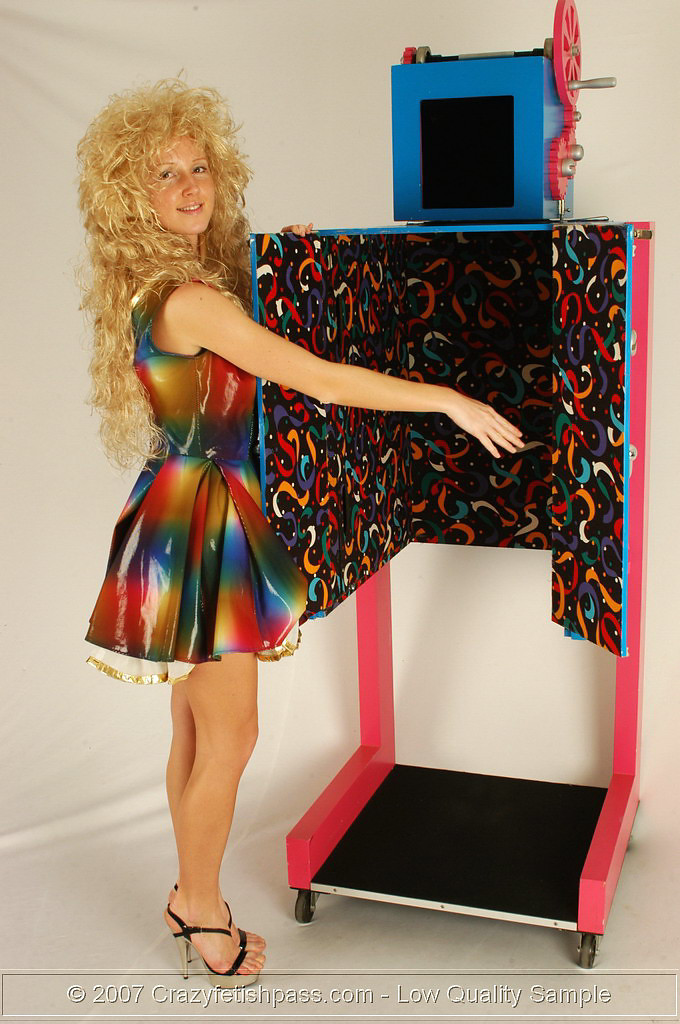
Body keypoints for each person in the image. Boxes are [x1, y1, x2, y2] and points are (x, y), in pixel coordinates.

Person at [76, 78, 524, 988]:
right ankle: (202, 911)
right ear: (132, 196)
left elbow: (246, 345)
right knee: (229, 738)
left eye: (199, 167)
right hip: (204, 524)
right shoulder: (190, 299)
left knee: (196, 730)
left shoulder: (177, 288)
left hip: (185, 510)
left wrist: (291, 270)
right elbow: (315, 379)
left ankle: (188, 892)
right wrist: (444, 397)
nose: (190, 186)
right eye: (165, 174)